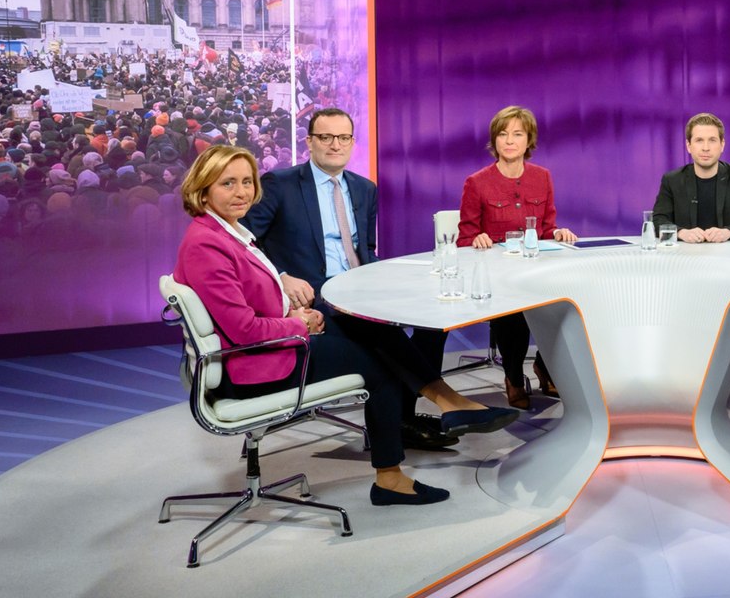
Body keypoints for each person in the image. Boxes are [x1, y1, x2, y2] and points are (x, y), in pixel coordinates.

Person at [174, 145, 496, 506]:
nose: (242, 192)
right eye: (228, 183)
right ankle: (390, 478)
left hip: (271, 343)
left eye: (247, 182)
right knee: (377, 367)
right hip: (254, 364)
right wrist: (296, 324)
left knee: (373, 328)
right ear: (203, 190)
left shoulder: (228, 233)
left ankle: (450, 402)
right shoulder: (207, 245)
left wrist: (297, 315)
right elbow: (244, 330)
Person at [242, 108, 513, 451]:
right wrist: (281, 276)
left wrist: (395, 277)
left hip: (362, 286)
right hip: (318, 295)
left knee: (432, 321)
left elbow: (365, 249)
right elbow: (246, 242)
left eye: (343, 138)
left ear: (353, 143)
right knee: (379, 331)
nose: (335, 145)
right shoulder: (280, 184)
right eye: (325, 137)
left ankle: (405, 416)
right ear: (309, 142)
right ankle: (446, 404)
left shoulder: (364, 189)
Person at [458, 106, 578, 409]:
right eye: (503, 134)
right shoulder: (477, 182)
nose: (509, 141)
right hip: (501, 277)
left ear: (528, 140)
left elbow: (547, 228)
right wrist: (477, 239)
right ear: (494, 141)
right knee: (514, 316)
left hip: (538, 271)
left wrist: (559, 234)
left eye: (517, 134)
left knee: (565, 306)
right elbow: (464, 238)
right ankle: (513, 376)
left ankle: (544, 366)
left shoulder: (543, 177)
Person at [651, 113, 730, 243]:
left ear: (722, 145)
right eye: (699, 140)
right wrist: (681, 232)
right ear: (688, 146)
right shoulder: (672, 180)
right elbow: (658, 220)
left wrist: (728, 232)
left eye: (712, 140)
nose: (706, 148)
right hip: (685, 256)